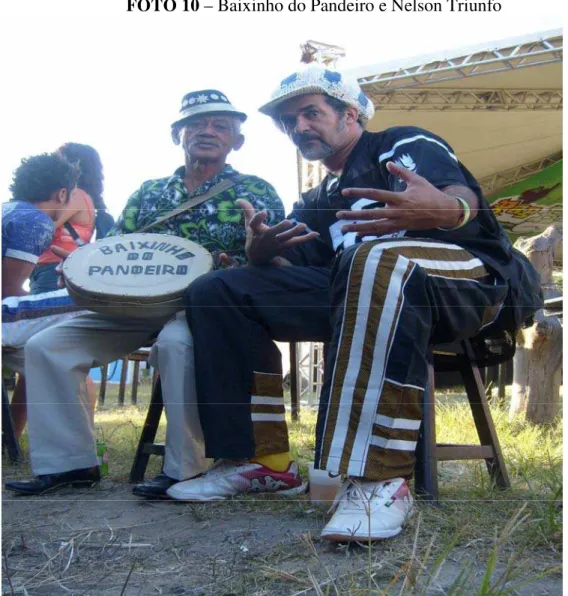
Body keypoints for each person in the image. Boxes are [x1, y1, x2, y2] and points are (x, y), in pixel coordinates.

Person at [171, 66, 541, 543]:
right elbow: (295, 263)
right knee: (220, 292)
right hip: (364, 288)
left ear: (349, 114)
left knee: (375, 259)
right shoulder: (317, 198)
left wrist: (449, 210)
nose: (299, 127)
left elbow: (458, 195)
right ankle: (261, 461)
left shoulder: (399, 144)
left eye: (310, 113)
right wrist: (260, 252)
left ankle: (378, 479)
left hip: (467, 280)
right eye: (288, 121)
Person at [5, 90, 302, 497]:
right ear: (176, 135)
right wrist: (76, 268)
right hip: (132, 306)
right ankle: (70, 465)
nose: (207, 131)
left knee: (177, 346)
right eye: (195, 124)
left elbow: (271, 258)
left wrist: (245, 259)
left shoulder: (256, 190)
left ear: (238, 141)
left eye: (220, 126)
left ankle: (184, 471)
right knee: (46, 347)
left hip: (200, 309)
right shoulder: (149, 193)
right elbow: (110, 248)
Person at [2, 153, 81, 436]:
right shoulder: (35, 220)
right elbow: (7, 290)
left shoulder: (8, 210)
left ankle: (12, 434)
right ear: (62, 193)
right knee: (73, 320)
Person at [29, 143, 112, 294]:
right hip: (50, 269)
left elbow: (43, 226)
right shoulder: (83, 196)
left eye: (58, 159)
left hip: (54, 270)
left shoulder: (76, 195)